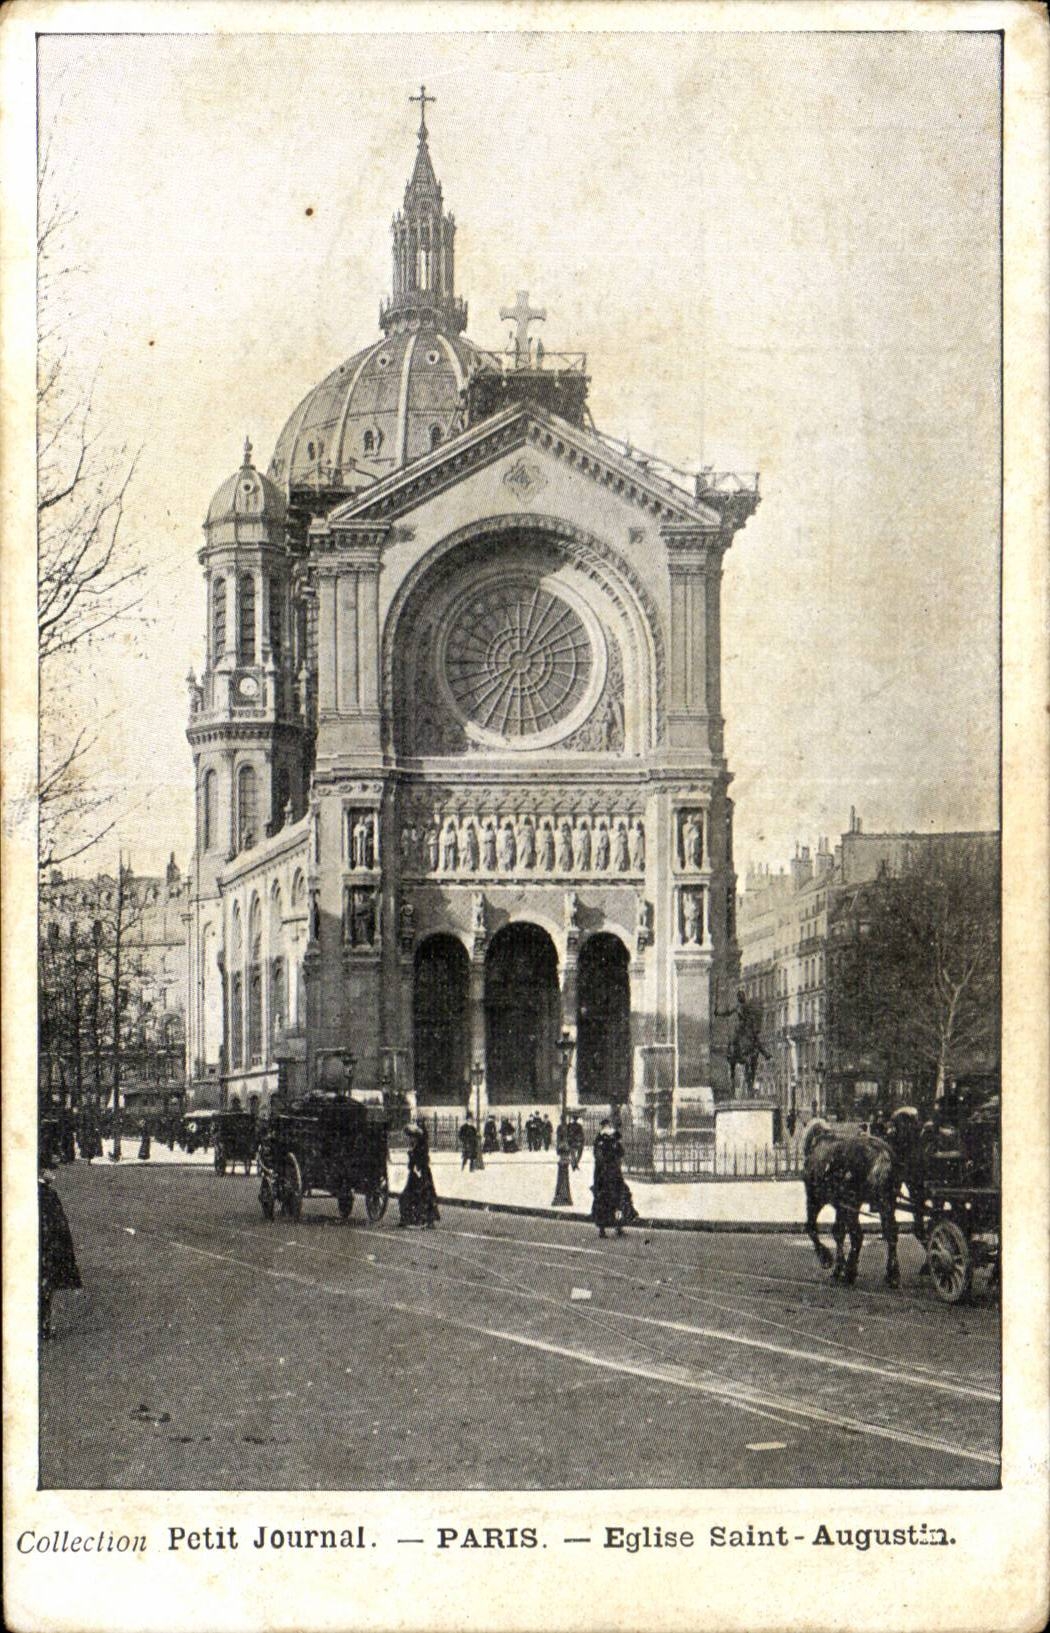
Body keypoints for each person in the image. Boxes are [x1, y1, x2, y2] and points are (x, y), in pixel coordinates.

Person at [39, 1167, 82, 1339]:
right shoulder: (48, 1194)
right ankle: (43, 1327)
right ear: (41, 1171)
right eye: (50, 1168)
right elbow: (57, 1225)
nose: (54, 1172)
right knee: (45, 1286)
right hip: (47, 1246)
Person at [590, 1119, 638, 1239]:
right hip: (615, 1174)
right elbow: (621, 1153)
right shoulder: (614, 1140)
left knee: (603, 1200)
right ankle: (618, 1226)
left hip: (604, 1175)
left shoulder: (599, 1140)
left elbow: (598, 1158)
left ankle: (603, 1229)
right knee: (618, 1200)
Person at [399, 1121, 440, 1228]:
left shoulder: (420, 1146)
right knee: (419, 1195)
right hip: (418, 1173)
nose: (409, 1139)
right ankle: (415, 1219)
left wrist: (414, 1162)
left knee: (419, 1195)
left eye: (410, 1136)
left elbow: (420, 1160)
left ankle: (419, 1219)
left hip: (419, 1173)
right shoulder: (418, 1144)